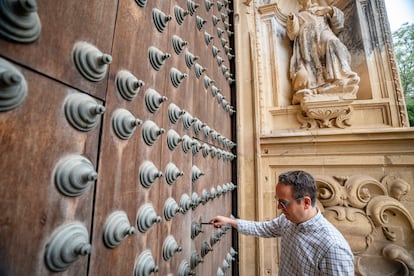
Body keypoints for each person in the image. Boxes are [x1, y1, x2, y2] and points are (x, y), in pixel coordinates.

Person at [210, 170, 355, 275]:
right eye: (278, 201)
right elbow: (264, 228)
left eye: (283, 203)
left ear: (305, 202)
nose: (279, 207)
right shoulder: (287, 221)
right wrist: (230, 222)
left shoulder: (333, 248)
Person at [287, 0, 359, 104]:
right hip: (307, 46)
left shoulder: (321, 10)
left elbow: (338, 26)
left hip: (323, 37)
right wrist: (292, 21)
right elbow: (292, 35)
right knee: (308, 71)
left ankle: (341, 78)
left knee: (332, 42)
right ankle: (319, 88)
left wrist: (329, 10)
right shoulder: (298, 15)